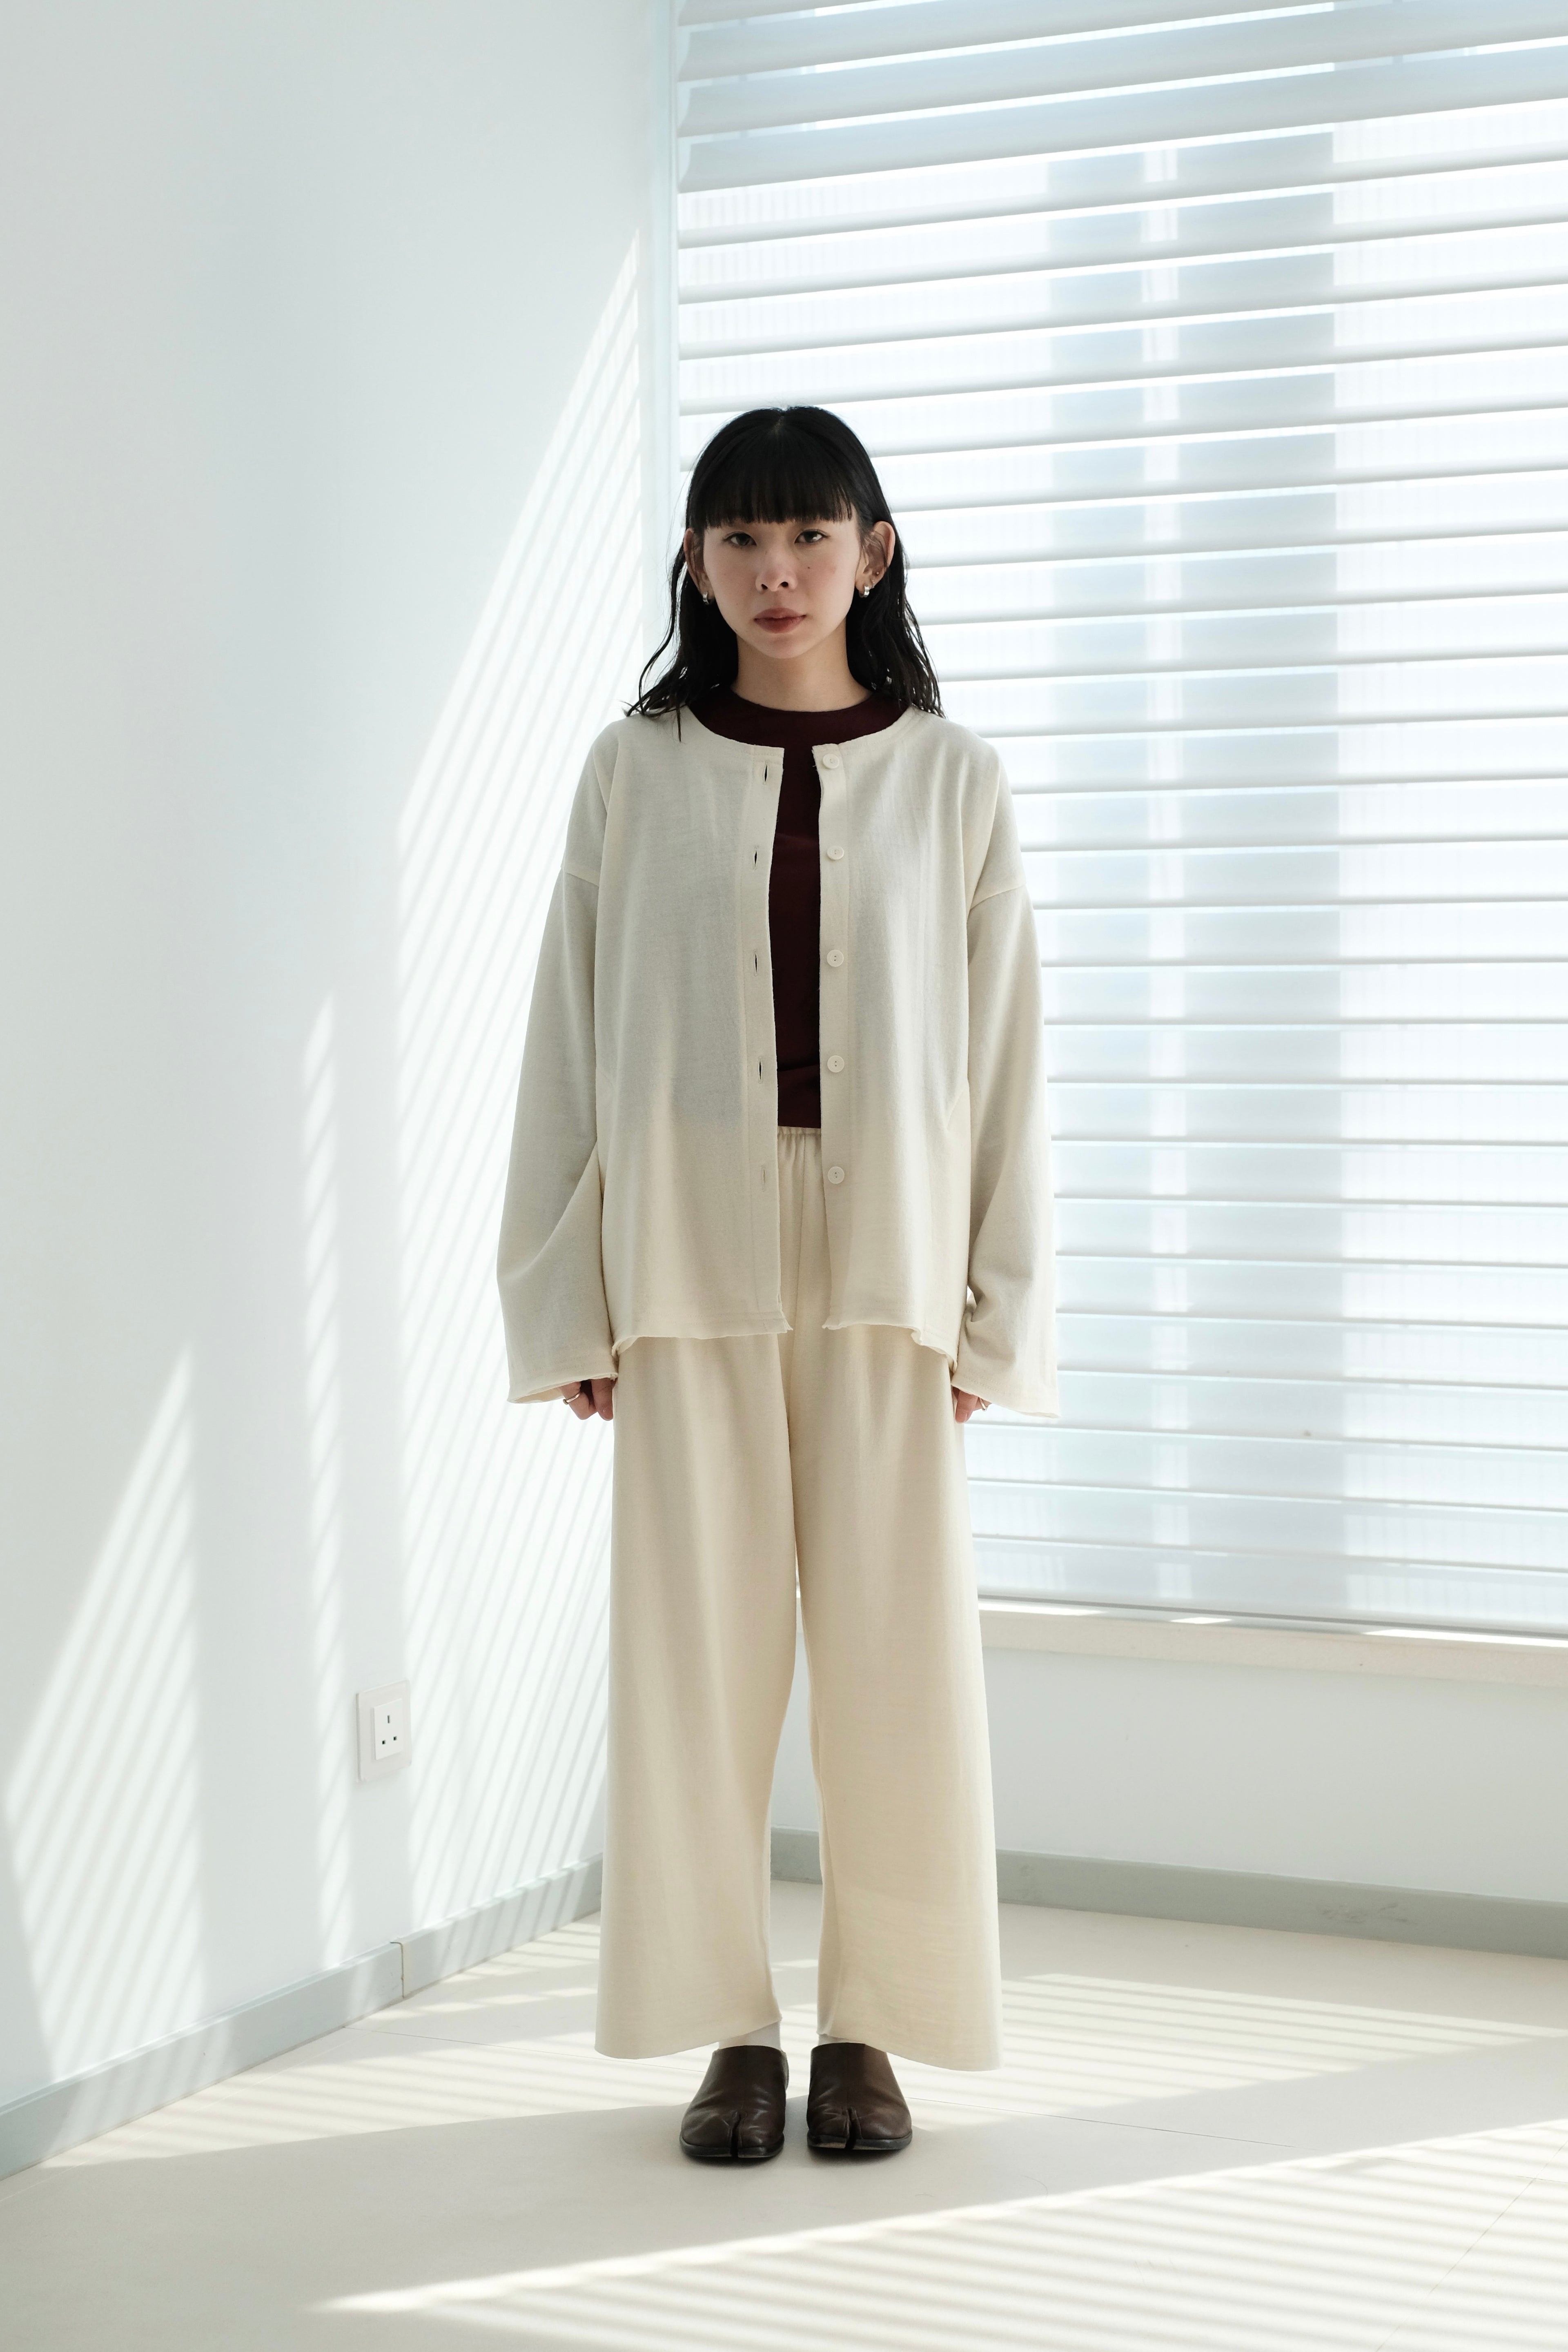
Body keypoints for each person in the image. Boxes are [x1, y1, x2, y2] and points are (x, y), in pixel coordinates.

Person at [497, 405, 1056, 2164]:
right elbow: (569, 1041)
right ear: (695, 559)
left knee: (899, 1671)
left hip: (890, 1262)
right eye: (740, 538)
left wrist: (995, 1308)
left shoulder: (953, 778)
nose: (777, 572)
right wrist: (565, 1295)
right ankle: (730, 2033)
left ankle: (872, 2027)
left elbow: (1005, 1061)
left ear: (874, 553)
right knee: (692, 1669)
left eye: (810, 534)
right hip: (684, 1253)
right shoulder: (635, 765)